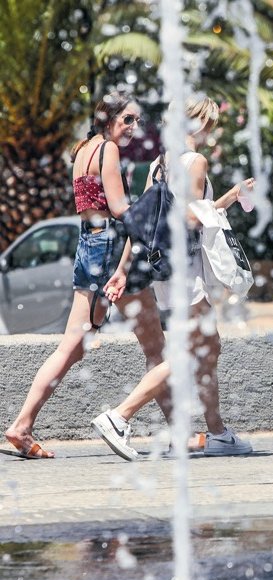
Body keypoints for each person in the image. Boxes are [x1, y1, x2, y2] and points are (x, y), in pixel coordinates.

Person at [4, 92, 172, 458]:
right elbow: (118, 209)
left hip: (89, 247)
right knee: (156, 348)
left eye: (137, 121)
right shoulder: (107, 150)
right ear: (107, 119)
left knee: (73, 345)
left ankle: (21, 425)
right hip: (112, 251)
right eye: (127, 119)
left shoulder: (84, 149)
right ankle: (172, 431)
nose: (133, 127)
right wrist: (155, 196)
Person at [92, 94, 253, 460]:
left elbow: (143, 223)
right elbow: (192, 219)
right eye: (209, 123)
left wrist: (122, 270)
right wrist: (230, 196)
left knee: (209, 349)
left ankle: (218, 433)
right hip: (186, 270)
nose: (211, 131)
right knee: (187, 352)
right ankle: (119, 417)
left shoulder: (158, 165)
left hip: (164, 271)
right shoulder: (194, 161)